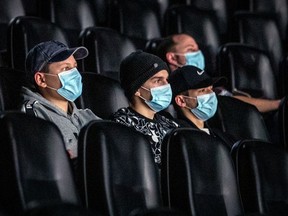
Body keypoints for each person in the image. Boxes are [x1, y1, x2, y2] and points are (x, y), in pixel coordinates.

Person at [156, 33, 282, 113]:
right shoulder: (165, 88)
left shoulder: (207, 81)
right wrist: (278, 104)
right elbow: (232, 104)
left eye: (197, 49)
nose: (198, 53)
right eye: (190, 49)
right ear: (172, 58)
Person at [21, 40, 101, 160]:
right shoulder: (33, 118)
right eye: (65, 69)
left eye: (75, 67)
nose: (75, 74)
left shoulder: (88, 116)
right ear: (41, 79)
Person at [110, 50, 179, 168]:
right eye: (157, 80)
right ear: (137, 89)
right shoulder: (121, 125)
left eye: (166, 80)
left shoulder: (170, 124)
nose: (166, 85)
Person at [169, 65, 236, 148]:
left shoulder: (223, 137)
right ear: (181, 100)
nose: (211, 94)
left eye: (211, 89)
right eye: (202, 90)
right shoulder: (179, 139)